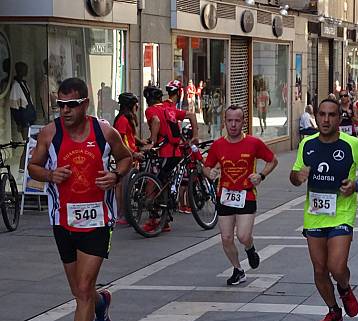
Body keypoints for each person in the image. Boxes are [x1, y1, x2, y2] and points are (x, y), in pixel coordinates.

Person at [27, 77, 132, 321]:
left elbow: (126, 158)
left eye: (71, 105)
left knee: (84, 288)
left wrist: (115, 175)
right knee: (79, 291)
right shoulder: (50, 133)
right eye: (60, 105)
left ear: (85, 104)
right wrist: (49, 174)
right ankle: (102, 302)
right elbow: (33, 166)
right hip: (63, 220)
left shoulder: (103, 130)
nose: (65, 111)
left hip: (97, 219)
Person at [289, 98, 358, 321]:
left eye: (331, 115)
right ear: (316, 117)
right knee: (319, 269)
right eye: (322, 114)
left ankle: (345, 288)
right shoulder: (307, 144)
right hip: (315, 215)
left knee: (336, 267)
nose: (326, 119)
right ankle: (333, 310)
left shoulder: (352, 144)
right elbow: (295, 175)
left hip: (341, 213)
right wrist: (298, 177)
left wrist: (356, 185)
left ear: (340, 118)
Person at [203, 105, 278, 285]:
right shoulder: (218, 145)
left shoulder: (253, 143)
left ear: (243, 122)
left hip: (246, 195)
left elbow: (272, 160)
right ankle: (238, 269)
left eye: (237, 121)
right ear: (225, 122)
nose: (233, 125)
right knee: (226, 238)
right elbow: (206, 166)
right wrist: (209, 173)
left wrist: (261, 175)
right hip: (226, 195)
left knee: (243, 236)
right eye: (230, 121)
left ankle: (249, 248)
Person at [142, 80, 199, 233]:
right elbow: (192, 115)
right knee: (164, 182)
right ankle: (165, 220)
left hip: (163, 152)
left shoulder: (151, 110)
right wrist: (195, 136)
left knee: (153, 183)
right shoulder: (169, 110)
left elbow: (155, 121)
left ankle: (153, 219)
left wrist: (153, 141)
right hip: (176, 153)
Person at [113, 92, 146, 224]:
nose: (136, 108)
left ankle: (125, 213)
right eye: (136, 106)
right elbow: (120, 140)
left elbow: (130, 136)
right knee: (122, 185)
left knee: (127, 186)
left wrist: (141, 142)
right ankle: (121, 214)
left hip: (131, 155)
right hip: (125, 157)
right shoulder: (122, 120)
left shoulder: (126, 119)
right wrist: (133, 153)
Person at [10, 61, 36, 141]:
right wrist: (19, 123)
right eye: (25, 69)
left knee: (31, 141)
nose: (27, 71)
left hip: (29, 117)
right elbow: (14, 107)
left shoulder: (24, 84)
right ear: (20, 70)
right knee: (27, 142)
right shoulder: (16, 86)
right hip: (24, 120)